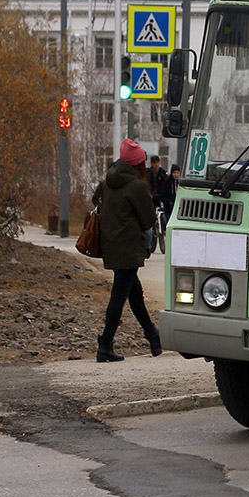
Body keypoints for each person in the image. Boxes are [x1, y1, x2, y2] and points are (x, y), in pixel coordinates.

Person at [91, 138, 160, 362]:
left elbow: (95, 200)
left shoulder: (109, 181)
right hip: (129, 247)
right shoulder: (137, 186)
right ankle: (104, 345)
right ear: (138, 164)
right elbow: (148, 219)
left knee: (135, 295)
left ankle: (153, 336)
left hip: (112, 244)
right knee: (119, 296)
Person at [153, 164, 180, 254]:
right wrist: (169, 202)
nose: (176, 175)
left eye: (178, 173)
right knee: (168, 227)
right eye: (174, 173)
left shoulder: (181, 184)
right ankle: (168, 244)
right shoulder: (167, 183)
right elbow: (162, 196)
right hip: (169, 209)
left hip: (178, 210)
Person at [146, 155, 167, 255]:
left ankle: (163, 233)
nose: (155, 165)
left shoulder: (163, 174)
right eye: (153, 163)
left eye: (157, 162)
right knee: (151, 218)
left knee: (163, 217)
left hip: (162, 198)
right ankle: (153, 239)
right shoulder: (148, 173)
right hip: (151, 199)